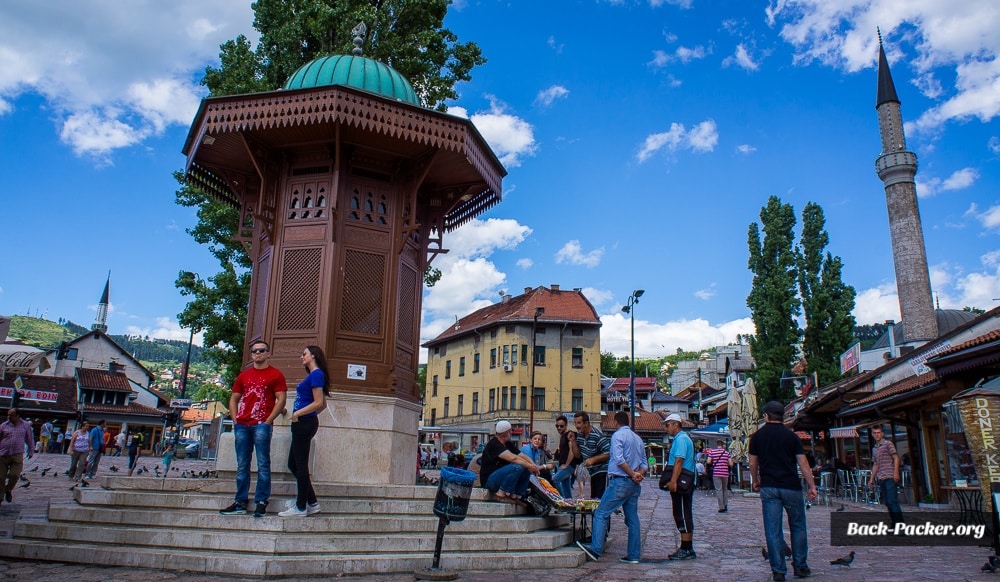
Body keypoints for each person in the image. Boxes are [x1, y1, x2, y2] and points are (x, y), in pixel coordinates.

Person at [749, 400, 817, 581]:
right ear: (782, 415)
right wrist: (811, 485)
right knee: (798, 526)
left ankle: (778, 570)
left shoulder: (757, 437)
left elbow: (752, 462)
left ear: (766, 415)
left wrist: (756, 480)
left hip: (769, 486)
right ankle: (800, 566)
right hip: (791, 486)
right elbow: (803, 463)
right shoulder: (792, 437)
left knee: (773, 529)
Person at [220, 340, 288, 518]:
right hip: (243, 424)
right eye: (255, 351)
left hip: (261, 425)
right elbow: (234, 398)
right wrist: (235, 420)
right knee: (243, 464)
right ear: (251, 354)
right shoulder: (243, 376)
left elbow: (281, 399)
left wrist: (268, 420)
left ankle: (261, 501)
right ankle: (240, 501)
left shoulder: (276, 375)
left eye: (261, 350)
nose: (258, 353)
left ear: (268, 353)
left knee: (263, 463)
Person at [576, 411, 647, 564]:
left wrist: (631, 474)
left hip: (620, 481)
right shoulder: (638, 439)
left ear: (616, 422)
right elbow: (644, 464)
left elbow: (618, 459)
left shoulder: (617, 436)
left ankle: (596, 548)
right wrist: (637, 474)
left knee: (601, 512)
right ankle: (633, 555)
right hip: (634, 485)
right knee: (633, 519)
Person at [279, 345, 330, 518]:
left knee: (300, 465)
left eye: (304, 354)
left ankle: (301, 507)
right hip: (305, 422)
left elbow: (318, 402)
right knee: (294, 464)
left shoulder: (316, 374)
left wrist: (298, 414)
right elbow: (323, 405)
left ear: (313, 356)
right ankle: (312, 502)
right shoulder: (314, 375)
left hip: (303, 422)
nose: (302, 357)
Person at [662, 412, 697, 560]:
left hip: (682, 482)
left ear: (676, 425)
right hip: (684, 480)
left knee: (682, 513)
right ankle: (686, 546)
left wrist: (674, 481)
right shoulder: (681, 438)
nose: (666, 428)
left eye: (668, 425)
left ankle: (687, 547)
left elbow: (679, 461)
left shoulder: (681, 439)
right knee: (682, 512)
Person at [480, 420, 541, 501]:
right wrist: (530, 466)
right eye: (510, 431)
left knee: (525, 467)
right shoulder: (494, 444)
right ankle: (501, 493)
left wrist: (533, 466)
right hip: (489, 480)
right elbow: (513, 458)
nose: (512, 433)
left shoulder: (508, 443)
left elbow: (522, 455)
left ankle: (516, 495)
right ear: (505, 433)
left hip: (499, 477)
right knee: (517, 467)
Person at [869, 424, 903, 526]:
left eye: (878, 433)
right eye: (875, 433)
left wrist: (896, 472)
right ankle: (894, 524)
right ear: (872, 434)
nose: (877, 435)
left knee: (892, 501)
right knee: (887, 502)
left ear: (882, 434)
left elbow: (896, 457)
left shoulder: (888, 444)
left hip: (890, 476)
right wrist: (871, 478)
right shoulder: (874, 448)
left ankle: (900, 526)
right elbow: (876, 464)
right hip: (881, 477)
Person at [0, 408, 34, 505]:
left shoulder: (25, 425)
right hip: (3, 454)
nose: (9, 417)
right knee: (0, 477)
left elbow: (29, 439)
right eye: (8, 415)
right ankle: (0, 497)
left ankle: (8, 489)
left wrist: (31, 451)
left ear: (17, 415)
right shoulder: (3, 426)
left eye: (11, 415)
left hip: (17, 454)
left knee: (14, 475)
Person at [574, 411, 611, 499]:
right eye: (575, 423)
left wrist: (593, 459)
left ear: (586, 423)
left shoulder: (597, 435)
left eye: (579, 423)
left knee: (599, 497)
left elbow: (609, 452)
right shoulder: (580, 436)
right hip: (592, 471)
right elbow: (577, 455)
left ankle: (601, 512)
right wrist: (573, 442)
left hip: (602, 470)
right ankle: (597, 512)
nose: (576, 426)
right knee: (594, 497)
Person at [552, 415, 580, 499]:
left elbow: (572, 451)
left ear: (566, 425)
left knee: (554, 480)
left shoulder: (569, 435)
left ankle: (562, 501)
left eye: (561, 426)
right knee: (566, 487)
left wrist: (566, 464)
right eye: (557, 426)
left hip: (568, 466)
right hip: (564, 465)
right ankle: (569, 508)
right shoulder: (563, 436)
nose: (559, 428)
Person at [706, 439, 734, 512]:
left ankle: (721, 506)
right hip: (725, 473)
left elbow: (708, 461)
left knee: (719, 490)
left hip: (716, 473)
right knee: (725, 489)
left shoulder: (712, 452)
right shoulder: (726, 453)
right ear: (723, 445)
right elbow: (731, 464)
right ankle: (725, 505)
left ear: (717, 445)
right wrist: (724, 463)